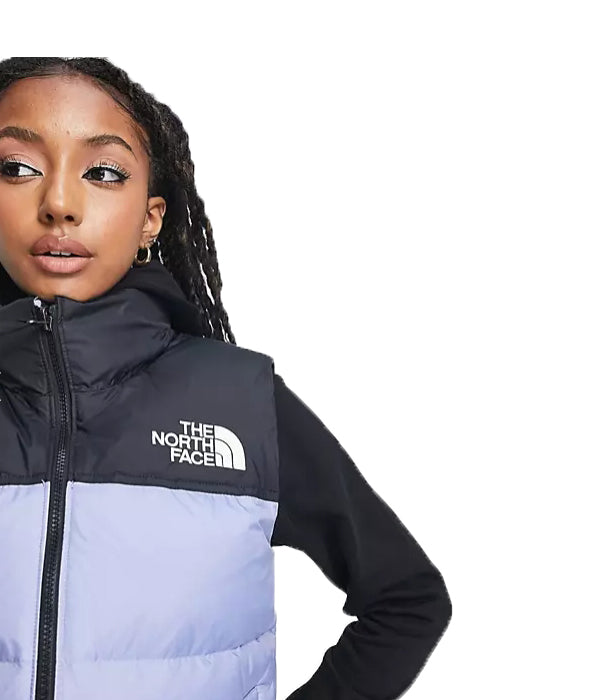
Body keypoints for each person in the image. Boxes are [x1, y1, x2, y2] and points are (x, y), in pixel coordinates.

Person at [0, 57, 452, 700]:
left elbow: (406, 598)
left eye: (103, 172)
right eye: (18, 167)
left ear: (150, 218)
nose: (60, 205)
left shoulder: (241, 405)